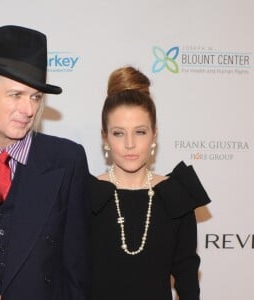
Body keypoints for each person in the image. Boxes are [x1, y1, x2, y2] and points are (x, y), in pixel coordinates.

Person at [0, 25, 90, 299]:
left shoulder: (67, 161)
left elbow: (78, 270)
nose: (29, 110)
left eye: (36, 97)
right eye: (16, 95)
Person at [90, 66, 211, 300]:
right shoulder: (87, 195)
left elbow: (187, 280)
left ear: (154, 135)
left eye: (140, 132)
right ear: (104, 137)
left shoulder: (175, 194)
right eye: (118, 133)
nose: (130, 144)